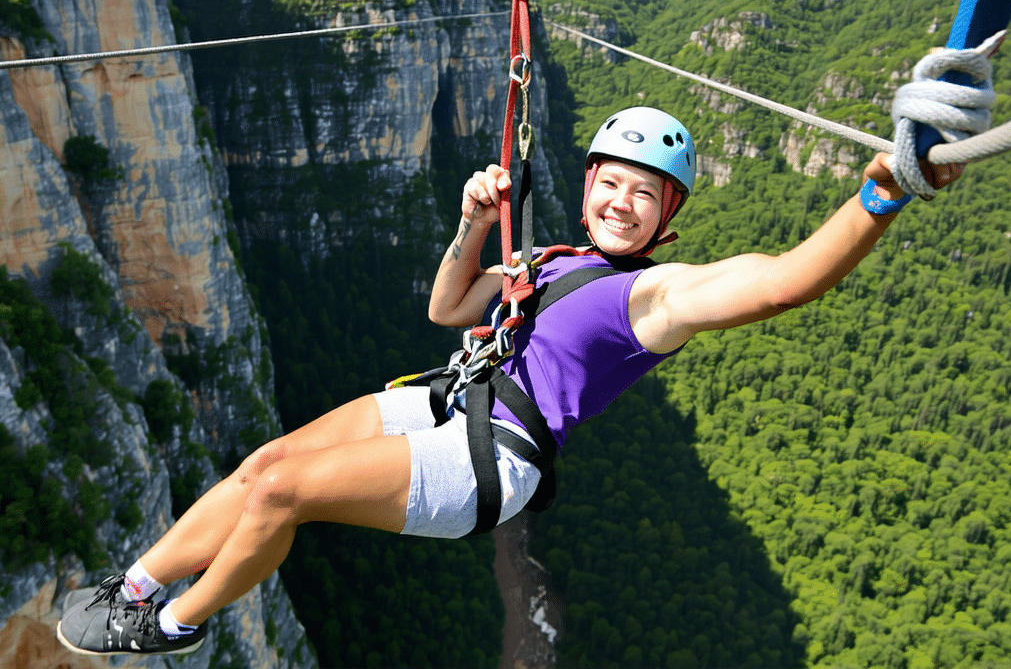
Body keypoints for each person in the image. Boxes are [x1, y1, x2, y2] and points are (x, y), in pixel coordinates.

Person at [55, 106, 963, 656]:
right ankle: (134, 587)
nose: (624, 202)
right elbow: (449, 308)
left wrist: (880, 192)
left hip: (493, 455)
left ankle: (174, 627)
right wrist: (472, 221)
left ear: (668, 218)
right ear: (590, 184)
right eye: (614, 183)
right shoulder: (557, 257)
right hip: (449, 392)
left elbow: (782, 283)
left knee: (283, 492)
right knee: (263, 464)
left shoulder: (654, 295)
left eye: (648, 195)